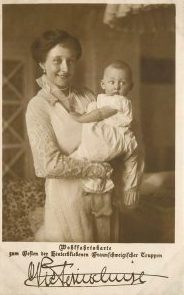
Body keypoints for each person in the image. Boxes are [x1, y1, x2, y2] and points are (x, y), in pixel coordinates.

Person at [26, 29, 117, 242]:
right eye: (57, 61)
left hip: (102, 195)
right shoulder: (38, 106)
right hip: (68, 202)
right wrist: (96, 168)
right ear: (42, 64)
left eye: (71, 60)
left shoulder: (87, 96)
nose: (65, 69)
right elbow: (48, 165)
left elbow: (107, 136)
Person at [69, 60, 144, 217]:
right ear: (103, 84)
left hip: (118, 138)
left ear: (130, 86)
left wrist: (80, 118)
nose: (116, 87)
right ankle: (114, 199)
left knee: (92, 148)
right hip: (119, 139)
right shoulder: (103, 98)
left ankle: (118, 197)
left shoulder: (120, 101)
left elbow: (101, 113)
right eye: (112, 82)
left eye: (122, 83)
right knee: (125, 168)